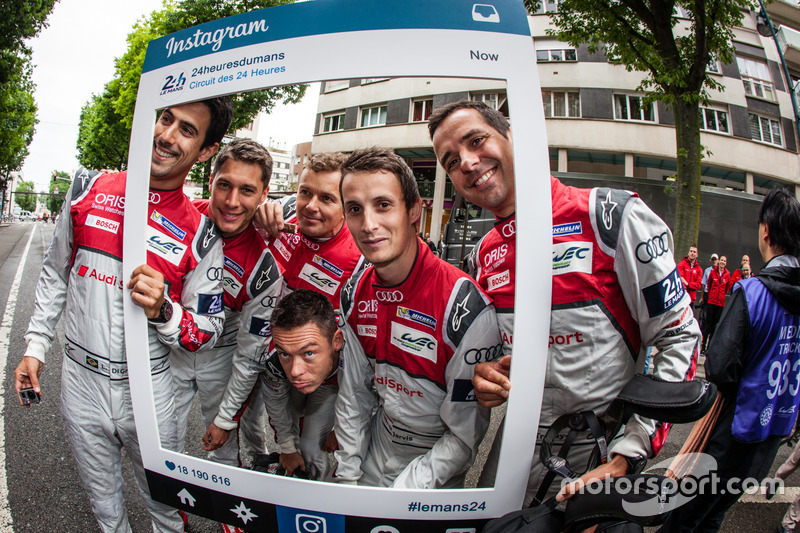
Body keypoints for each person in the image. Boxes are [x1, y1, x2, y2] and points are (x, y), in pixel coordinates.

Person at [428, 99, 699, 506]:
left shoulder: (610, 215)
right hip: (516, 450)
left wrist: (630, 453)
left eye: (476, 140)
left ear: (513, 137)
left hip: (598, 455)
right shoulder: (484, 253)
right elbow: (499, 357)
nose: (466, 162)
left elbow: (678, 337)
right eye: (450, 161)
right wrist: (487, 376)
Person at [14, 97, 233, 532]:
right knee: (105, 507)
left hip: (149, 387)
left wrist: (164, 309)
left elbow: (206, 331)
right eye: (165, 119)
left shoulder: (203, 232)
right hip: (79, 379)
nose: (167, 136)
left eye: (187, 130)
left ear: (206, 150)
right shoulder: (89, 187)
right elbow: (55, 273)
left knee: (165, 507)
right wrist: (35, 347)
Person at [333, 147, 501, 488]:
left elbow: (464, 436)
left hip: (436, 461)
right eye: (354, 209)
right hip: (378, 443)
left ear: (413, 209)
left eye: (383, 205)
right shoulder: (354, 291)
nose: (368, 225)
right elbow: (354, 394)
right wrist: (346, 476)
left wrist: (403, 494)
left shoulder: (463, 306)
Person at [658, 187, 800, 532]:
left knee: (684, 520)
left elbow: (720, 366)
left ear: (766, 230)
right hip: (773, 434)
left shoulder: (753, 292)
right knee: (716, 513)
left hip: (734, 431)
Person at [170, 139, 281, 469]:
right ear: (210, 181)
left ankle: (233, 515)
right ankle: (169, 517)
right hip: (172, 347)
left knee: (224, 445)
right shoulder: (184, 219)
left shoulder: (264, 265)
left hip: (224, 356)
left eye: (247, 191)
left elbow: (250, 356)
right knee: (161, 438)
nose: (232, 202)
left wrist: (225, 419)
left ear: (264, 196)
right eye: (224, 186)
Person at [247, 152, 364, 462]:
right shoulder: (282, 214)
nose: (311, 206)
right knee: (277, 433)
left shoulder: (360, 256)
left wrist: (346, 421)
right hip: (276, 359)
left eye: (326, 198)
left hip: (330, 377)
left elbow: (363, 345)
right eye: (305, 192)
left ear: (345, 206)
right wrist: (255, 216)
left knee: (314, 449)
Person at [261, 289, 342, 481]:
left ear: (337, 341)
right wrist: (288, 448)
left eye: (309, 353)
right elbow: (276, 405)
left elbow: (379, 399)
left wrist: (341, 430)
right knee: (295, 423)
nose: (295, 371)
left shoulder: (362, 350)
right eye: (286, 354)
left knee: (312, 447)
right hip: (326, 377)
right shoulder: (274, 361)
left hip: (339, 382)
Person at [703, 255, 730, 352]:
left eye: (724, 261)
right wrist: (712, 296)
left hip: (720, 304)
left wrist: (721, 296)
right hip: (711, 302)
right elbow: (709, 285)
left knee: (715, 326)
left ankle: (709, 348)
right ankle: (703, 346)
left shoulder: (727, 274)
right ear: (719, 261)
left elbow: (726, 288)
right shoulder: (712, 273)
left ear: (726, 263)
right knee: (708, 325)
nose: (723, 262)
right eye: (722, 260)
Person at [678, 244, 704, 321]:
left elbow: (698, 284)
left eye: (694, 252)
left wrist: (688, 284)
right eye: (691, 251)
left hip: (691, 299)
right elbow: (680, 279)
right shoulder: (682, 264)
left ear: (697, 254)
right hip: (681, 297)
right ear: (688, 252)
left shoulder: (699, 269)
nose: (692, 253)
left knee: (688, 320)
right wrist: (685, 287)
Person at [699, 253, 719, 329]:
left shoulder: (719, 271)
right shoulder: (707, 270)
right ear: (711, 260)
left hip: (714, 295)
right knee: (705, 315)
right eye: (713, 259)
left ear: (718, 261)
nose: (714, 261)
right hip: (707, 294)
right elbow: (703, 284)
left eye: (715, 259)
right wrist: (702, 297)